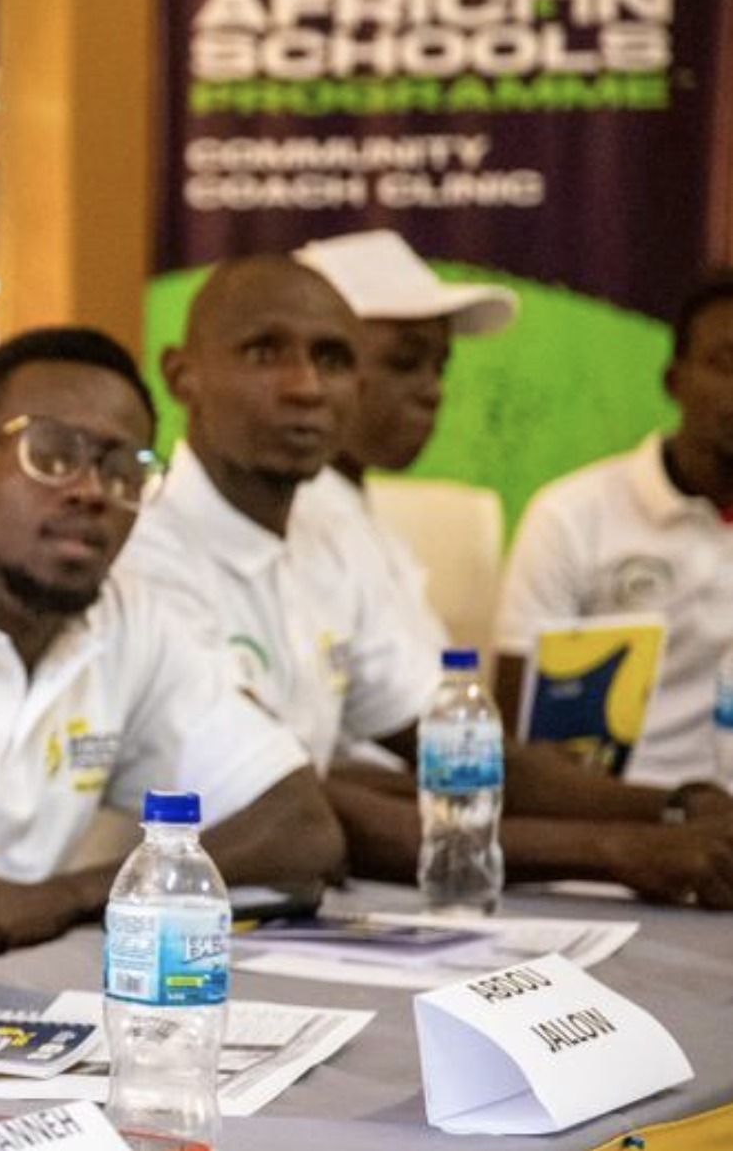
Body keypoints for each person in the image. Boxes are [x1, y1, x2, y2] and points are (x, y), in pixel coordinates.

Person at [118, 255, 733, 907]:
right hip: (153, 927)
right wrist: (620, 848)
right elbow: (300, 808)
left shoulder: (327, 539)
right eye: (265, 352)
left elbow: (455, 744)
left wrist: (678, 806)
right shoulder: (142, 549)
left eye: (332, 360)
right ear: (181, 375)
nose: (306, 387)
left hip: (299, 909)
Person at [0, 327, 342, 949]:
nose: (91, 491)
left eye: (124, 470)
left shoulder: (130, 619)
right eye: (52, 455)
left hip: (22, 963)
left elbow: (301, 828)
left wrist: (65, 896)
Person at [495, 273, 733, 796]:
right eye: (726, 363)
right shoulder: (571, 514)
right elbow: (518, 731)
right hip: (616, 811)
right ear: (675, 380)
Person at [287, 229, 518, 654]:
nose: (433, 390)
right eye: (405, 362)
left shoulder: (352, 513)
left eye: (440, 366)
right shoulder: (290, 528)